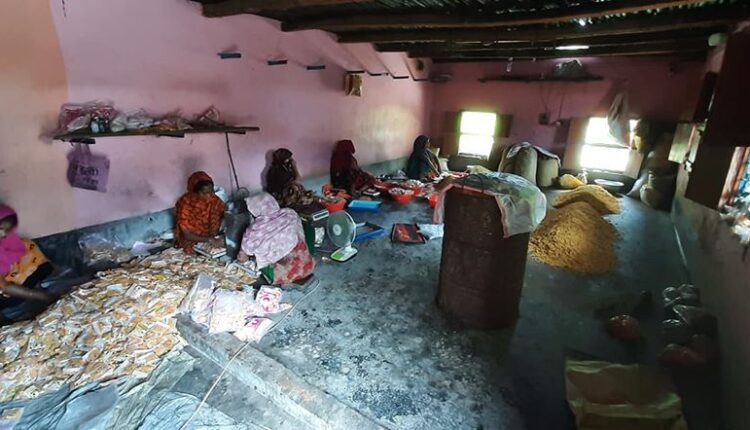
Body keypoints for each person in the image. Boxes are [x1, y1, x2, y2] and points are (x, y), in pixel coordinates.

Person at [238, 193, 315, 285]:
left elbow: (243, 257)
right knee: (304, 233)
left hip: (284, 274)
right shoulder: (290, 214)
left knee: (256, 261)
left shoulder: (254, 231)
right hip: (306, 263)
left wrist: (243, 256)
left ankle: (275, 277)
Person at [0, 204, 55, 309]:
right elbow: (5, 287)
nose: (3, 234)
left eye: (7, 230)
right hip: (5, 288)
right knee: (10, 299)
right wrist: (40, 296)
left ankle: (34, 283)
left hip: (15, 272)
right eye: (0, 229)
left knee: (26, 245)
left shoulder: (9, 240)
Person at [175, 171, 226, 254]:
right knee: (193, 258)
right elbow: (187, 234)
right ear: (194, 192)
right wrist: (210, 240)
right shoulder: (185, 204)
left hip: (212, 236)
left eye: (211, 192)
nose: (209, 196)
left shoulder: (214, 200)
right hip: (191, 240)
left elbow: (225, 213)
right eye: (204, 193)